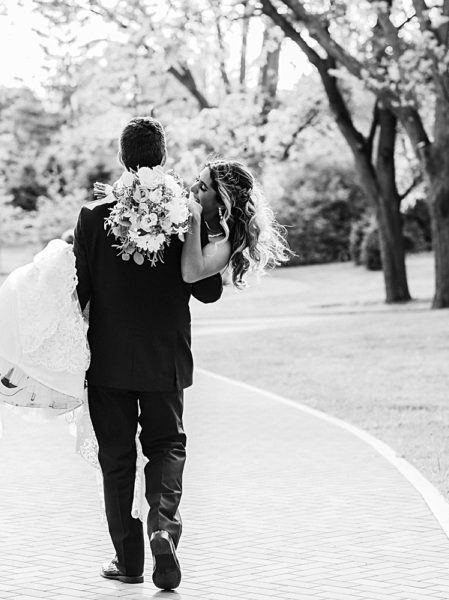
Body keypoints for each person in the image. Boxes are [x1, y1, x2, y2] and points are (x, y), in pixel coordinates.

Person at [72, 117, 223, 590]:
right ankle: (163, 526)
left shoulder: (93, 217)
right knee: (166, 446)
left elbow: (78, 293)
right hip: (165, 358)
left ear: (122, 158)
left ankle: (129, 560)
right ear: (163, 157)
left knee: (117, 459)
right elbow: (208, 291)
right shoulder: (185, 214)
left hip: (109, 361)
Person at [182, 159, 291, 287]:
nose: (192, 188)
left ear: (222, 203)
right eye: (197, 180)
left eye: (203, 188)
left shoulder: (222, 245)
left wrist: (195, 218)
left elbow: (190, 274)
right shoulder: (176, 210)